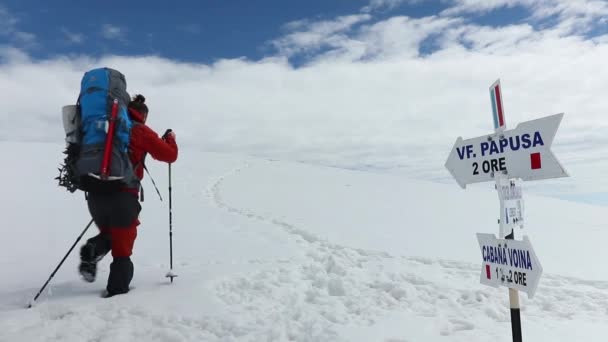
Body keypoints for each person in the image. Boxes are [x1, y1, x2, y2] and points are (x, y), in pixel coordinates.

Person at [78, 94, 178, 297]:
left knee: (110, 234)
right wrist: (170, 140)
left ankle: (92, 250)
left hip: (96, 195)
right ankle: (117, 295)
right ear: (143, 114)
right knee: (122, 250)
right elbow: (169, 155)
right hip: (123, 198)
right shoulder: (139, 130)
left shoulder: (104, 129)